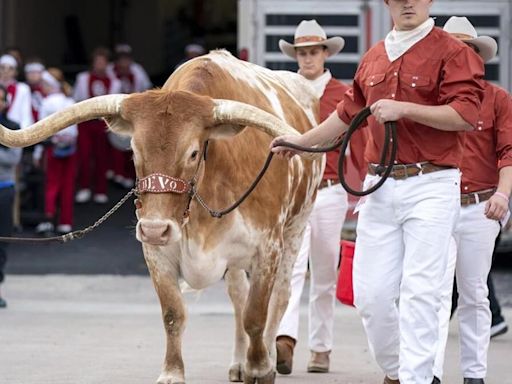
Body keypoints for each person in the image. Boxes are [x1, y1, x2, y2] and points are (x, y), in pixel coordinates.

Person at [271, 1, 485, 383]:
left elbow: (466, 116)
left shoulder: (452, 52)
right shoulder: (372, 57)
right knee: (370, 297)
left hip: (432, 182)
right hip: (379, 185)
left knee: (421, 290)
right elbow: (345, 115)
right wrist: (301, 143)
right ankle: (400, 370)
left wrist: (404, 109)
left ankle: (416, 378)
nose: (407, 2)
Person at [433, 16, 512, 384]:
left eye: (467, 50)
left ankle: (474, 376)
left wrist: (503, 194)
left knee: (474, 294)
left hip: (480, 206)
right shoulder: (429, 101)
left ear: (478, 56)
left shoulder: (497, 99)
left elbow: (509, 153)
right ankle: (425, 373)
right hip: (434, 204)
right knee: (430, 293)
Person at [273, 19, 349, 375]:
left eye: (313, 52)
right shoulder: (284, 91)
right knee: (290, 267)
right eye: (301, 52)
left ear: (324, 53)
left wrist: (359, 191)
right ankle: (284, 339)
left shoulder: (343, 94)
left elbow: (360, 143)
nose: (307, 58)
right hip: (293, 194)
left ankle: (321, 348)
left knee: (323, 272)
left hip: (331, 190)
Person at [73, 47, 121, 204]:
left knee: (102, 156)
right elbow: (77, 99)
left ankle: (101, 190)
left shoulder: (114, 81)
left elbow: (114, 104)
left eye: (103, 62)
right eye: (97, 62)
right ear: (93, 63)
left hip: (103, 124)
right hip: (85, 123)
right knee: (85, 155)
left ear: (107, 64)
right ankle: (85, 187)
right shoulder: (83, 78)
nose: (100, 65)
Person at [34, 69, 78, 235]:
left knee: (52, 184)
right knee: (68, 184)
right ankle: (66, 221)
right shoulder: (70, 101)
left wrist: (38, 153)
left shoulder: (47, 103)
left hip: (52, 148)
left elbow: (40, 129)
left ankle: (48, 220)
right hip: (71, 149)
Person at [106, 43, 151, 189]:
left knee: (134, 144)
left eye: (126, 59)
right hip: (115, 112)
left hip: (135, 113)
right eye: (121, 59)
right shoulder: (109, 71)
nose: (124, 62)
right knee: (114, 143)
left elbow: (147, 88)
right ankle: (116, 172)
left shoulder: (137, 70)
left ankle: (132, 175)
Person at [0, 84, 22, 308]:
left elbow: (12, 160)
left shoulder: (13, 127)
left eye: (0, 99)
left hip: (3, 188)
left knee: (2, 241)